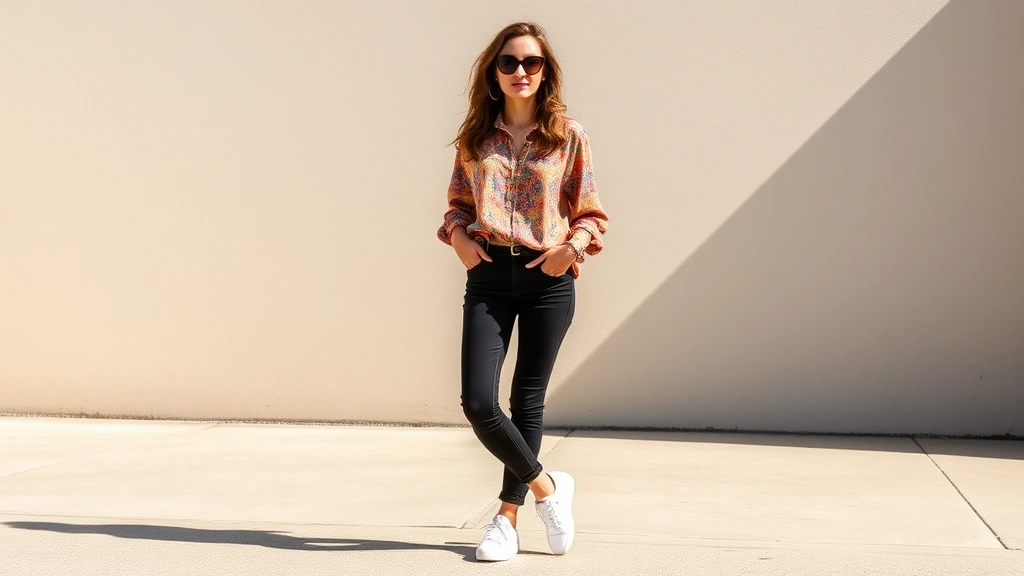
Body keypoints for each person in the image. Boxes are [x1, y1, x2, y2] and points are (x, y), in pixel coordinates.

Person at [437, 22, 609, 562]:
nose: (520, 72)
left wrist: (571, 250)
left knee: (526, 401)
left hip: (547, 280)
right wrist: (458, 237)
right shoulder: (475, 138)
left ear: (545, 72)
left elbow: (592, 213)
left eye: (531, 63)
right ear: (493, 72)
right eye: (509, 63)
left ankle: (506, 520)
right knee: (479, 401)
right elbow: (458, 205)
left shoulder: (568, 136)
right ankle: (548, 490)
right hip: (488, 277)